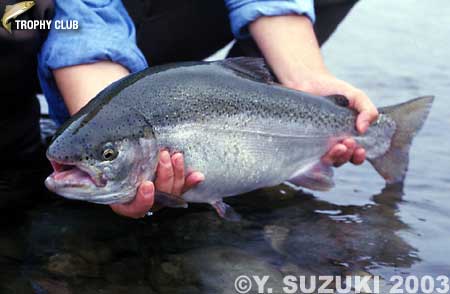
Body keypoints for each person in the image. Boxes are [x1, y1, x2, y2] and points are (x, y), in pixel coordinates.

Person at [37, 0, 378, 218]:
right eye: (109, 155)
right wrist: (103, 127)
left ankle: (272, 96)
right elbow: (85, 18)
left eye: (109, 155)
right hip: (81, 32)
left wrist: (308, 76)